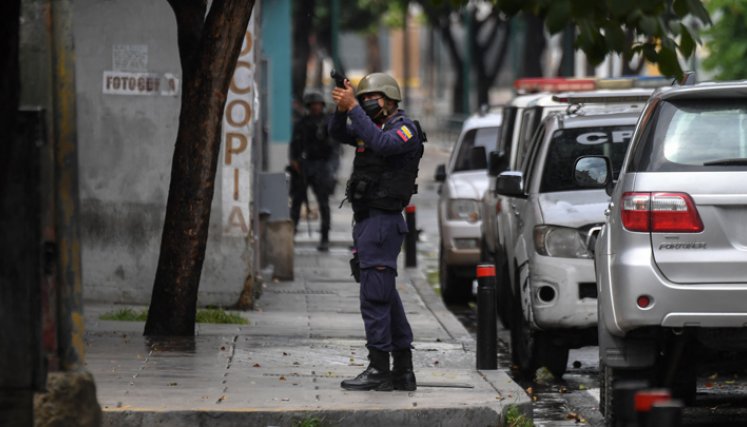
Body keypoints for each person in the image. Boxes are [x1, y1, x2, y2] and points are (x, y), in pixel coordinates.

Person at [329, 73, 424, 391]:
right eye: (363, 97)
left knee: (374, 297)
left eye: (372, 98)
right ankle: (403, 369)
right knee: (384, 294)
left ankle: (379, 369)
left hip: (384, 222)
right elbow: (336, 132)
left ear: (391, 100)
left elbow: (383, 145)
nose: (367, 103)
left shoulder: (405, 130)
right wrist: (343, 107)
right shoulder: (371, 128)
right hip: (369, 221)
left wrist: (354, 106)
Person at [289, 91, 338, 251]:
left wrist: (331, 167)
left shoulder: (328, 122)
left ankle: (325, 236)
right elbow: (294, 144)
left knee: (323, 203)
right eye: (313, 105)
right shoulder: (302, 123)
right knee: (297, 202)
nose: (316, 107)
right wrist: (295, 161)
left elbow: (334, 148)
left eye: (318, 104)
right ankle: (291, 234)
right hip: (305, 165)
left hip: (322, 166)